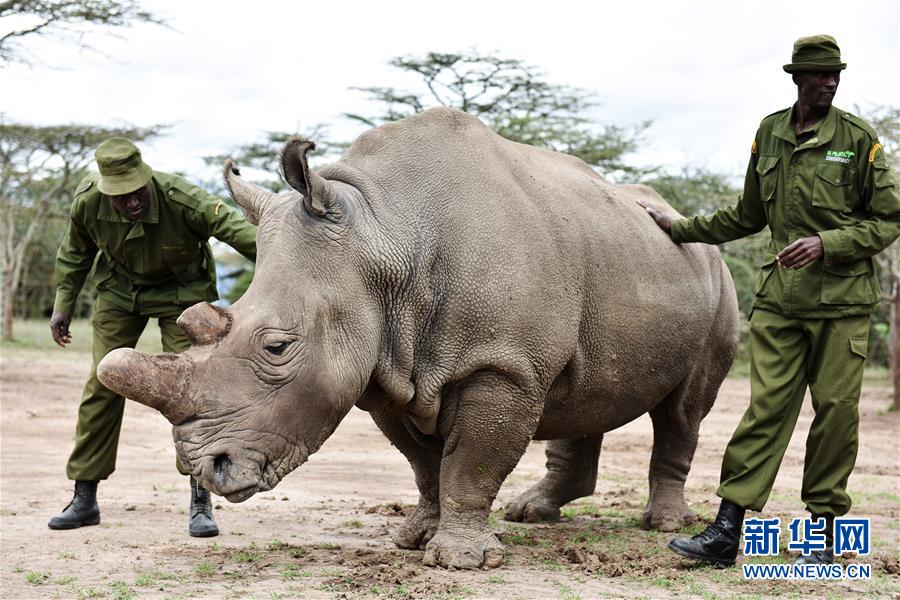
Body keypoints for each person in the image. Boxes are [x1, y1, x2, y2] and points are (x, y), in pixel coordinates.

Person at [640, 35, 900, 567]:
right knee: (765, 412)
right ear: (797, 78)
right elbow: (748, 214)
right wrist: (682, 227)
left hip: (843, 305)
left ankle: (824, 535)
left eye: (836, 75)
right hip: (782, 301)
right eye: (820, 75)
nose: (829, 82)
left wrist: (830, 244)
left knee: (833, 414)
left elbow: (891, 216)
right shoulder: (770, 133)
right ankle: (726, 532)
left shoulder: (858, 138)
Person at [48, 137, 257, 537]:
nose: (131, 202)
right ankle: (84, 495)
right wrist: (64, 302)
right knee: (102, 383)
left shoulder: (182, 198)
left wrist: (290, 260)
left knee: (191, 388)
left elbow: (235, 230)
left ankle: (200, 497)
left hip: (181, 293)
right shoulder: (88, 202)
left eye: (136, 192)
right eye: (120, 197)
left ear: (146, 177)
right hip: (118, 292)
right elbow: (75, 252)